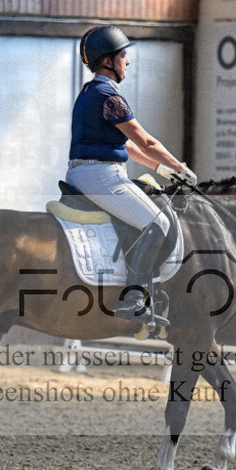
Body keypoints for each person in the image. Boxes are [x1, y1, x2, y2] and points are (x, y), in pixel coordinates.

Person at [66, 25, 197, 326]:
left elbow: (123, 144)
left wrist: (161, 169)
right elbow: (146, 142)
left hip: (88, 173)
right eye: (123, 56)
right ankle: (133, 298)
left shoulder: (92, 93)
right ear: (108, 61)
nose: (128, 61)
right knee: (158, 221)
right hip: (100, 175)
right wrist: (181, 169)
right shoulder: (110, 98)